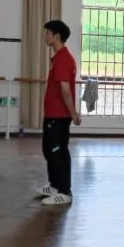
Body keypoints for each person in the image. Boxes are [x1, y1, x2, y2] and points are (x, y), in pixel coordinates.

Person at [34, 20, 83, 206]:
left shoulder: (64, 58)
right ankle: (54, 185)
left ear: (57, 36)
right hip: (52, 114)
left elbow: (65, 90)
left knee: (58, 151)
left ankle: (64, 191)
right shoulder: (57, 58)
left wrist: (73, 114)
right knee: (49, 150)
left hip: (59, 115)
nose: (45, 36)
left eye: (48, 33)